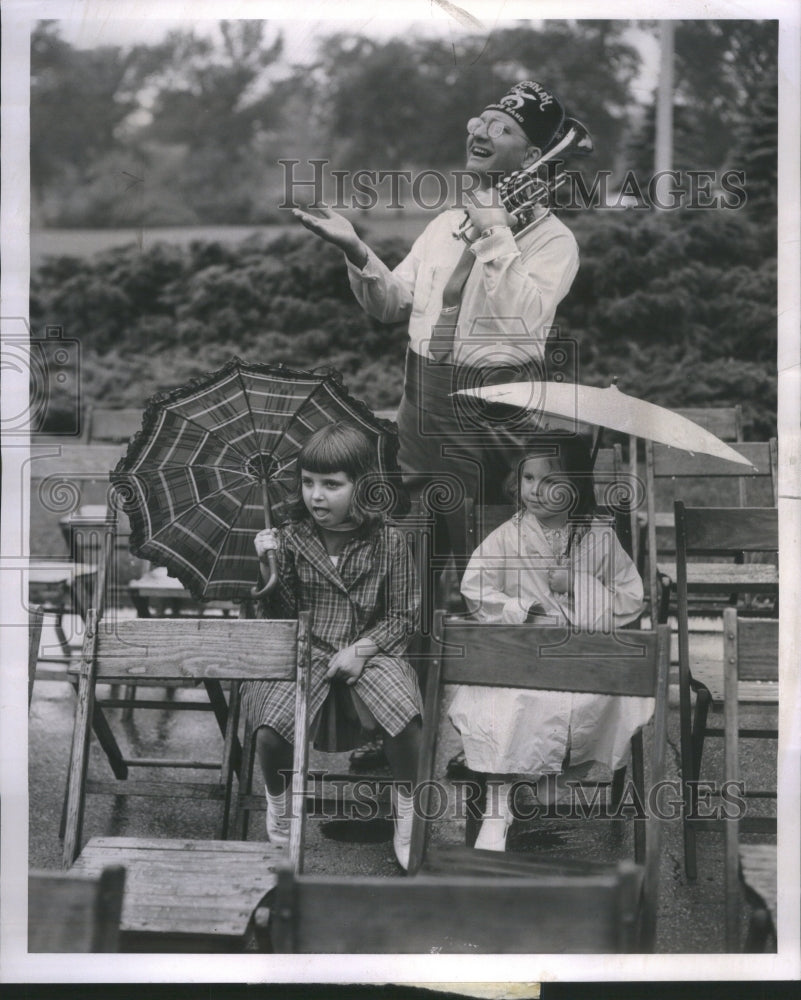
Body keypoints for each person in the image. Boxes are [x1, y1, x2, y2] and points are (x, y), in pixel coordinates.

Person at [296, 79, 585, 772]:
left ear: (537, 154)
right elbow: (392, 304)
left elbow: (523, 330)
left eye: (503, 127)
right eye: (480, 118)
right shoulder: (442, 225)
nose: (479, 130)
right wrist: (355, 251)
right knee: (409, 578)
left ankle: (505, 757)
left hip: (490, 420)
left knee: (494, 586)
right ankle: (400, 744)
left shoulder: (554, 242)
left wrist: (492, 232)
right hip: (419, 410)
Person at [447, 432, 651, 852]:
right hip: (526, 650)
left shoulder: (597, 535)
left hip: (581, 652)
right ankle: (498, 805)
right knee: (506, 701)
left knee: (603, 699)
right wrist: (526, 610)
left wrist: (576, 583)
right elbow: (475, 587)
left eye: (550, 480)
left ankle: (559, 777)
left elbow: (631, 596)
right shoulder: (508, 536)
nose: (535, 491)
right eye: (528, 479)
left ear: (576, 487)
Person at [241, 422, 423, 870]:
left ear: (362, 487)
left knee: (406, 719)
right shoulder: (288, 539)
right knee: (271, 728)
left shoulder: (390, 541)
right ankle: (281, 803)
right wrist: (267, 570)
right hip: (306, 649)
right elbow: (273, 618)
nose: (316, 496)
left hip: (370, 649)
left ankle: (407, 808)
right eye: (307, 483)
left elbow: (403, 616)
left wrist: (362, 650)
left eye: (331, 485)